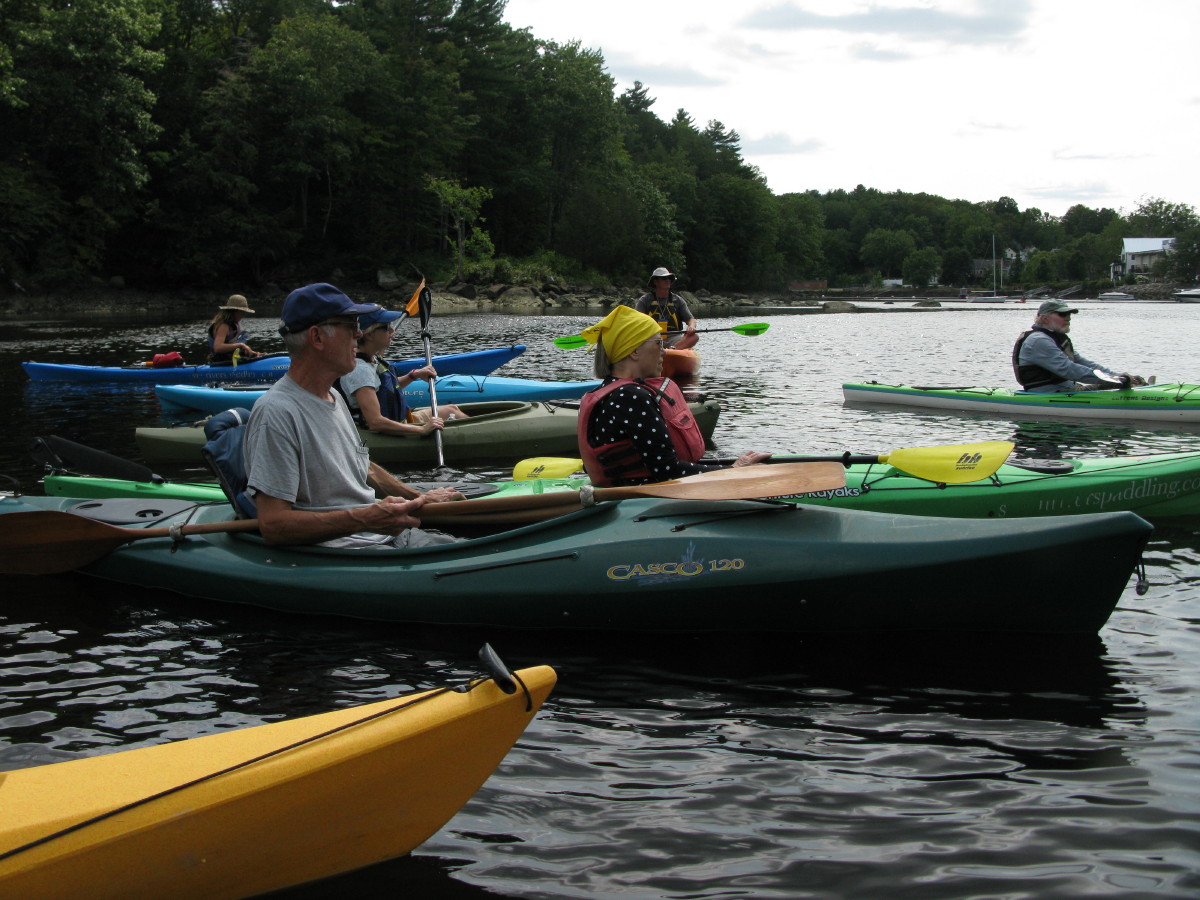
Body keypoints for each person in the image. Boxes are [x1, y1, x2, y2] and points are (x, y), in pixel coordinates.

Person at [243, 283, 463, 549]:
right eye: (350, 326)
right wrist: (365, 518)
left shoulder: (333, 397)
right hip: (353, 552)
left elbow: (365, 468)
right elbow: (274, 526)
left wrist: (420, 497)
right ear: (317, 338)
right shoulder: (277, 413)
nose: (358, 334)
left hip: (385, 536)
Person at [576, 305, 769, 486]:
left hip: (626, 491)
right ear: (634, 351)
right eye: (658, 343)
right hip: (636, 501)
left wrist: (728, 465)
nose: (663, 352)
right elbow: (667, 471)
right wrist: (732, 471)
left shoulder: (611, 390)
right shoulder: (631, 396)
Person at [337, 307, 468, 436]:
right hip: (386, 433)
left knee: (452, 410)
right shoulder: (360, 371)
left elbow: (384, 388)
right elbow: (375, 422)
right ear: (370, 334)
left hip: (400, 421)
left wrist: (413, 375)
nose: (392, 330)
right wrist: (422, 430)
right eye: (386, 327)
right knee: (453, 414)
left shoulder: (372, 358)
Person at [1012, 299, 1150, 393]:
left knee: (1120, 381)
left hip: (1066, 391)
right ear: (1045, 318)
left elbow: (1083, 363)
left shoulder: (1055, 338)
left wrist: (1115, 375)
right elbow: (1068, 369)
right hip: (1050, 394)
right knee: (1116, 384)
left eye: (1069, 314)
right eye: (1062, 314)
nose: (1068, 318)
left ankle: (1140, 386)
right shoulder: (1038, 340)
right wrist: (1113, 380)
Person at [634, 267, 698, 349]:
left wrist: (691, 326)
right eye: (664, 278)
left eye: (669, 278)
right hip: (652, 338)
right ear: (655, 282)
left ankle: (672, 349)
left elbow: (690, 319)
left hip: (673, 338)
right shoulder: (645, 300)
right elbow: (636, 321)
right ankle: (659, 352)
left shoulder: (678, 300)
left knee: (694, 337)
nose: (667, 280)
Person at [207, 294, 261, 363]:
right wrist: (241, 345)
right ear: (233, 311)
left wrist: (252, 353)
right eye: (241, 312)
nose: (243, 315)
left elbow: (233, 347)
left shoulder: (234, 325)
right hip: (219, 363)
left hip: (230, 360)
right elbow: (217, 348)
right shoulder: (223, 326)